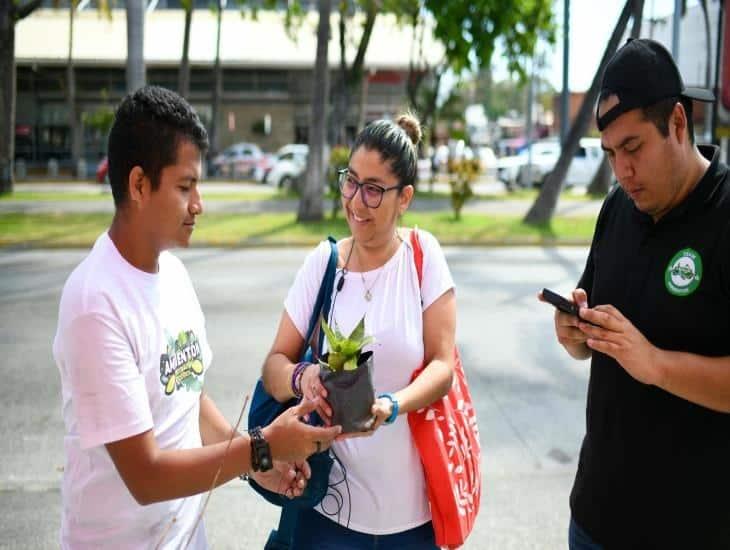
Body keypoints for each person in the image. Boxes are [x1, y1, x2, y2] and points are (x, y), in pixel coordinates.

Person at [53, 85, 341, 549]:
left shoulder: (174, 274)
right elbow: (145, 476)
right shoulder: (95, 303)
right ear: (139, 185)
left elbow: (190, 400)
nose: (199, 203)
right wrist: (263, 447)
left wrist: (256, 467)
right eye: (185, 186)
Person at [541, 38, 730, 548]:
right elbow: (590, 332)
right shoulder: (617, 209)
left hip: (692, 528)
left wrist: (656, 364)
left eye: (633, 148)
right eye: (610, 154)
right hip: (595, 519)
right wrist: (574, 333)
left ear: (677, 123)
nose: (622, 171)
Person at [261, 114, 456, 548]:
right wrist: (302, 377)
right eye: (351, 181)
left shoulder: (423, 257)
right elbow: (274, 366)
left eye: (373, 189)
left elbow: (443, 366)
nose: (356, 201)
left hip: (412, 519)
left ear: (404, 198)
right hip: (327, 512)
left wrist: (392, 405)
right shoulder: (323, 262)